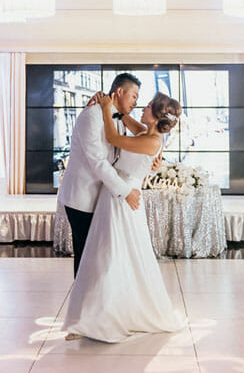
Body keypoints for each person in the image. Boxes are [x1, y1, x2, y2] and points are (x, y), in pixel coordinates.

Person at [63, 91, 186, 343]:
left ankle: (107, 315)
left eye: (149, 105)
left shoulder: (152, 141)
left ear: (157, 116)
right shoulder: (146, 132)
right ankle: (93, 314)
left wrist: (107, 107)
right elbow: (124, 117)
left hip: (124, 199)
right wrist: (104, 102)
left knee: (112, 256)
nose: (143, 106)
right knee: (105, 255)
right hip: (114, 196)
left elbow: (112, 137)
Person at [57, 73, 142, 278]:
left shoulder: (117, 118)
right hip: (82, 198)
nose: (136, 102)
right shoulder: (92, 114)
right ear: (119, 92)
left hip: (102, 198)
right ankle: (82, 304)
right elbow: (97, 161)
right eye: (134, 96)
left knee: (100, 257)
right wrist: (125, 191)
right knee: (87, 255)